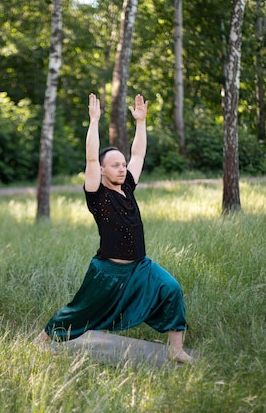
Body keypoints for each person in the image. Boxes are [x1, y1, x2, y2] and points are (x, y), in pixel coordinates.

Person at [35, 93, 194, 364]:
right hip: (108, 271)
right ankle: (42, 340)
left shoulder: (128, 186)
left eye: (122, 165)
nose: (121, 169)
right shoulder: (97, 195)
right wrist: (94, 121)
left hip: (140, 267)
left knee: (171, 289)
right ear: (103, 170)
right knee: (81, 312)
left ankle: (176, 350)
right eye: (114, 165)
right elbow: (90, 159)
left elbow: (138, 153)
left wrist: (141, 123)